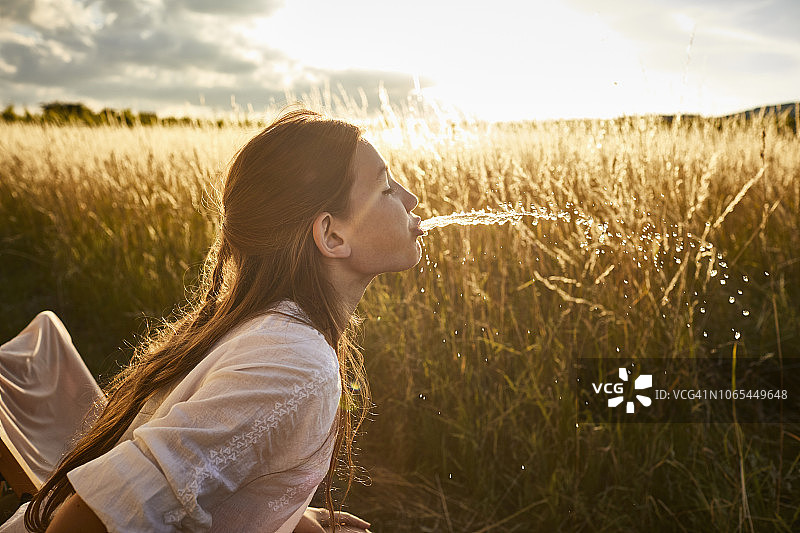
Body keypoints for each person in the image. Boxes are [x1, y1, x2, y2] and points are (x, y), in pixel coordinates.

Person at [0, 108, 424, 532]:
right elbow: (93, 519)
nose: (411, 199)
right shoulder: (297, 364)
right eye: (386, 188)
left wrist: (282, 518)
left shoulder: (266, 324)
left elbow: (196, 482)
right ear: (332, 236)